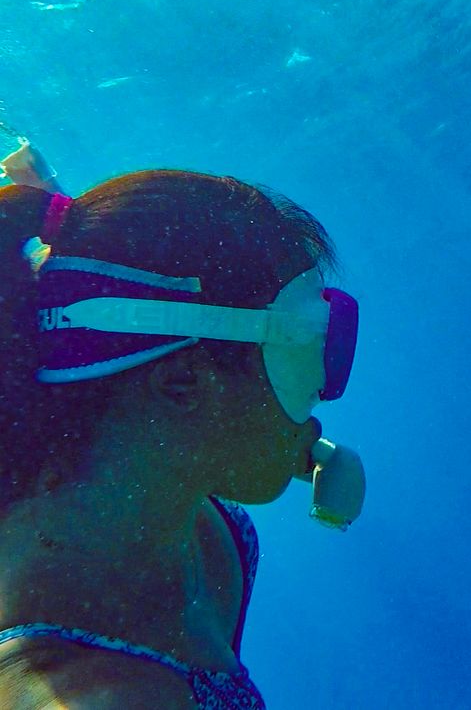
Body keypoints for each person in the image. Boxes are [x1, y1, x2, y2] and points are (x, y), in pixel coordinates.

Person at [0, 167, 362, 707]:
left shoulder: (200, 525)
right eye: (308, 352)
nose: (325, 394)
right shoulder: (85, 694)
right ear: (181, 383)